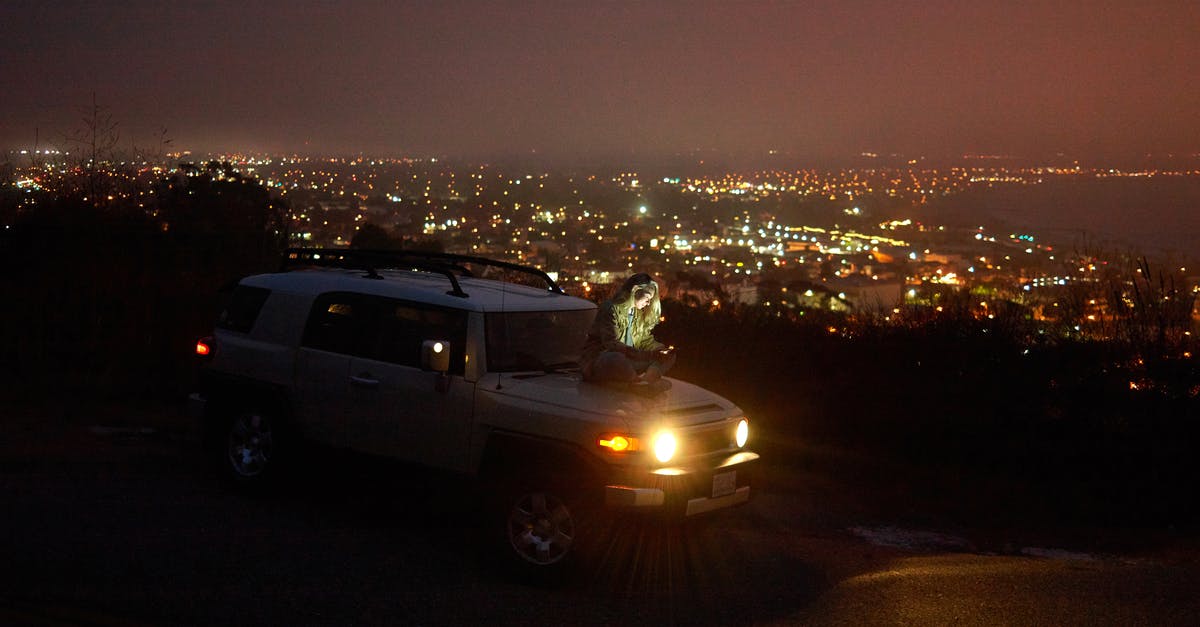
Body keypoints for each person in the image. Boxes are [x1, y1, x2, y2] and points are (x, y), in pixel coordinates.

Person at [581, 272, 676, 384]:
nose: (648, 302)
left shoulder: (638, 314)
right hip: (602, 362)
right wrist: (646, 355)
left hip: (630, 362)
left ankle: (645, 383)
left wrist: (659, 350)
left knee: (669, 357)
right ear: (635, 291)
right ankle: (635, 383)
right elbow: (612, 344)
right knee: (614, 358)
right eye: (647, 297)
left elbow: (645, 340)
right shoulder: (611, 309)